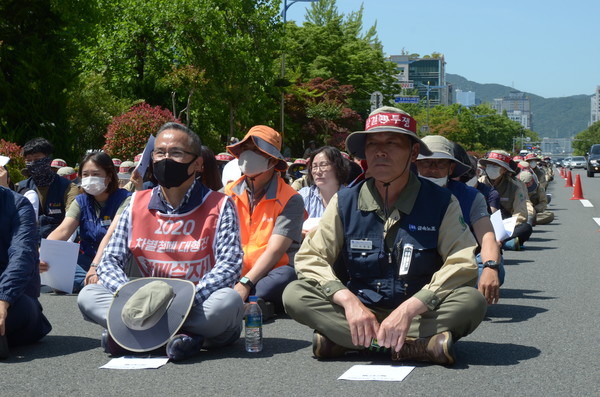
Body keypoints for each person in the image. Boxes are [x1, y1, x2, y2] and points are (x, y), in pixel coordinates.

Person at [282, 106, 487, 365]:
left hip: (418, 311)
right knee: (295, 294)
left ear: (413, 152)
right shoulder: (345, 201)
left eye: (391, 143)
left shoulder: (442, 202)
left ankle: (349, 341)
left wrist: (411, 307)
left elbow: (461, 261)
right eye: (372, 144)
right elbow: (311, 256)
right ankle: (416, 346)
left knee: (471, 301)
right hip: (361, 308)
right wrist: (348, 302)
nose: (380, 151)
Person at [77, 122, 244, 361]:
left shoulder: (220, 204)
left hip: (197, 301)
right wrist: (128, 296)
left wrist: (185, 300)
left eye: (176, 153)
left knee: (227, 302)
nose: (166, 159)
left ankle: (134, 335)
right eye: (160, 153)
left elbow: (230, 266)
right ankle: (187, 338)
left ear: (197, 164)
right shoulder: (136, 202)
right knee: (88, 295)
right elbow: (109, 260)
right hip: (145, 300)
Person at [224, 125, 305, 312]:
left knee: (284, 279)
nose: (247, 154)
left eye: (255, 150)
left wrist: (244, 283)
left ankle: (243, 301)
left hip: (273, 269)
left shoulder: (290, 198)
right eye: (245, 149)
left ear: (272, 161)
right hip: (236, 267)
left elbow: (275, 251)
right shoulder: (227, 193)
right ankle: (255, 305)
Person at [415, 136, 503, 305]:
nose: (432, 169)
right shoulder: (400, 192)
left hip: (455, 265)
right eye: (426, 163)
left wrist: (491, 267)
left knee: (474, 301)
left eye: (440, 163)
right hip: (412, 266)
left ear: (451, 168)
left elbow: (487, 236)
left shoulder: (471, 196)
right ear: (416, 164)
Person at [40, 152, 131, 292]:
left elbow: (112, 235)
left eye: (95, 174)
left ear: (109, 176)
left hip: (113, 261)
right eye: (85, 175)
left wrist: (95, 266)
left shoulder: (125, 199)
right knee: (54, 266)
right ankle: (95, 283)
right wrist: (41, 254)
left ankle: (78, 282)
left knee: (65, 278)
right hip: (85, 259)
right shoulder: (81, 201)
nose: (90, 179)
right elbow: (63, 230)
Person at [0, 186, 52, 358]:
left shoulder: (18, 205)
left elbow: (22, 254)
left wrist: (3, 299)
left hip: (15, 295)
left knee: (20, 308)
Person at [15, 138, 80, 238]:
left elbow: (72, 220)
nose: (32, 164)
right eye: (28, 160)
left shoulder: (68, 187)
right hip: (28, 243)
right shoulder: (20, 188)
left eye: (37, 159)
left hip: (59, 243)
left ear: (48, 159)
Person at [478, 150, 533, 250]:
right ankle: (506, 243)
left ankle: (500, 241)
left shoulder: (515, 187)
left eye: (496, 165)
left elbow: (520, 213)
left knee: (526, 228)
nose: (491, 168)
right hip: (482, 223)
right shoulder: (479, 183)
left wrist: (504, 230)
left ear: (504, 170)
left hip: (505, 225)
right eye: (489, 165)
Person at [299, 146, 348, 219]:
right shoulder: (304, 196)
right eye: (314, 166)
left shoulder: (350, 198)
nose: (318, 171)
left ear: (338, 167)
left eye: (323, 165)